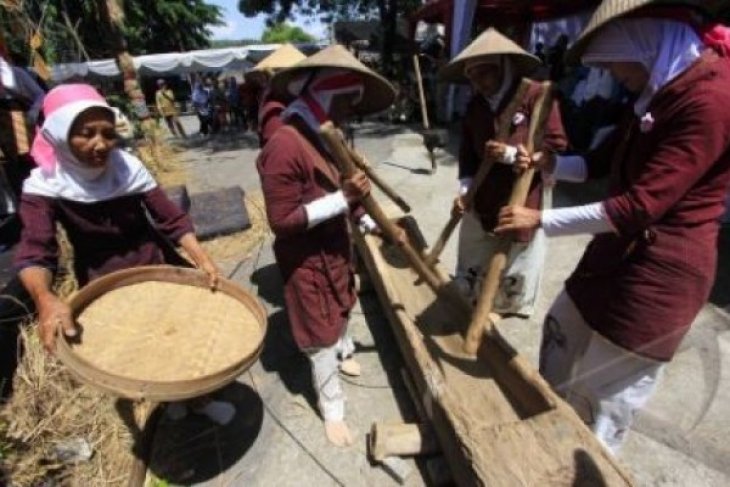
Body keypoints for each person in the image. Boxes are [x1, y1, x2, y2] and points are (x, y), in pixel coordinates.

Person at [496, 0, 730, 453]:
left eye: (620, 69)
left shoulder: (711, 99)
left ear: (645, 44)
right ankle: (541, 441)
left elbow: (638, 207)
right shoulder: (657, 89)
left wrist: (539, 219)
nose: (618, 79)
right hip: (614, 257)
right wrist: (551, 165)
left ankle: (583, 471)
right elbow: (604, 162)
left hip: (661, 275)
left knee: (603, 398)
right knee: (561, 334)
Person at [8, 84, 232, 423]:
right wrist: (44, 297)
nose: (101, 144)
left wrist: (201, 258)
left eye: (108, 134)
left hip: (155, 262)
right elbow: (36, 251)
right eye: (86, 134)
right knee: (141, 345)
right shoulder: (44, 185)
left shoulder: (128, 167)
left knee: (181, 333)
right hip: (105, 280)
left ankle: (199, 399)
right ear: (59, 134)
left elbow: (170, 219)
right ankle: (167, 396)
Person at [257, 45, 395, 447]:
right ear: (325, 95)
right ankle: (332, 408)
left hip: (334, 246)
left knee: (343, 303)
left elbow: (345, 197)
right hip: (304, 258)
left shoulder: (326, 136)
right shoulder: (284, 144)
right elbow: (282, 222)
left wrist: (368, 222)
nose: (351, 112)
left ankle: (343, 350)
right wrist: (344, 200)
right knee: (318, 335)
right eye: (347, 102)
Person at [438, 27, 567, 318]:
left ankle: (502, 306)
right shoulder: (475, 107)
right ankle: (474, 296)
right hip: (484, 190)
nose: (479, 84)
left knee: (513, 252)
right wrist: (464, 190)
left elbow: (555, 145)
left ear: (503, 68)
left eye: (485, 74)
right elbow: (468, 155)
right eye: (472, 78)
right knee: (478, 243)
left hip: (523, 191)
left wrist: (511, 154)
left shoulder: (537, 95)